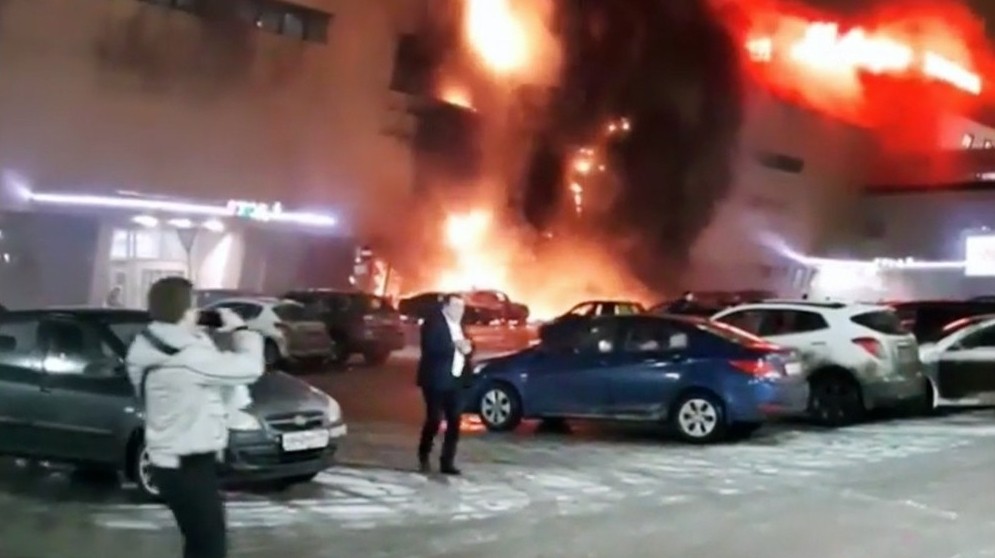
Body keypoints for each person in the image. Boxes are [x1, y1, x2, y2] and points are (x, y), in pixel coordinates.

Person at [125, 277, 264, 558]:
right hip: (187, 466)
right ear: (185, 310)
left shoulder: (149, 347)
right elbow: (250, 367)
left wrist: (195, 333)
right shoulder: (187, 357)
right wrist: (241, 330)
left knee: (200, 542)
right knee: (210, 546)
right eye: (195, 305)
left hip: (172, 461)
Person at [416, 292, 473, 475]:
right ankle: (424, 453)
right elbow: (430, 347)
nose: (459, 311)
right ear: (446, 307)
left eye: (462, 307)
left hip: (456, 380)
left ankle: (447, 462)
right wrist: (455, 346)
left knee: (454, 421)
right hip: (436, 380)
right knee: (434, 419)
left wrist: (469, 348)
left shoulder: (461, 325)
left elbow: (468, 346)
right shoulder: (433, 323)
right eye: (455, 306)